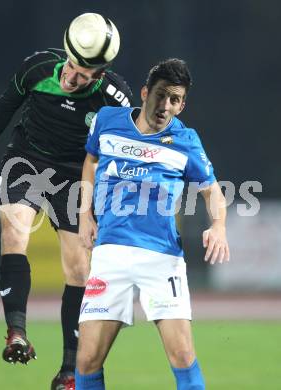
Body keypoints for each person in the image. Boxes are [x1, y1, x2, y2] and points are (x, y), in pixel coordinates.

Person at [0, 12, 132, 390]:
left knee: (79, 269)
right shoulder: (37, 67)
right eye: (73, 66)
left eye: (84, 75)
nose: (72, 77)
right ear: (67, 53)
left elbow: (127, 146)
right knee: (14, 233)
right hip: (26, 161)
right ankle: (16, 333)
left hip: (75, 175)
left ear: (100, 75)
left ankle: (68, 372)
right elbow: (5, 106)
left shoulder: (114, 96)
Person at [76, 58, 230, 389]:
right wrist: (84, 214)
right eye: (161, 95)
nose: (166, 106)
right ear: (145, 92)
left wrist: (218, 226)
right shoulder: (107, 121)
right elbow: (91, 160)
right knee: (87, 359)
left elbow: (213, 192)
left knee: (182, 355)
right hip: (110, 253)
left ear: (182, 103)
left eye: (175, 99)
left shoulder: (186, 141)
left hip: (161, 259)